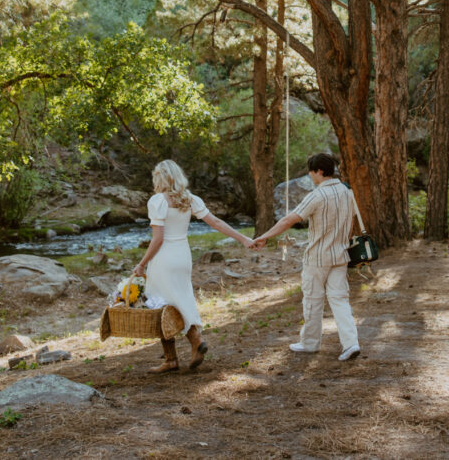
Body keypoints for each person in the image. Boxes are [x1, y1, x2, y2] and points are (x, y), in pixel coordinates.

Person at [133, 160, 254, 373]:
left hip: (164, 258)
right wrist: (243, 238)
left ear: (159, 178)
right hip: (183, 256)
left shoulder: (158, 201)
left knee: (159, 304)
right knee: (181, 299)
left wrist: (142, 264)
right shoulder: (189, 199)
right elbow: (216, 222)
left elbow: (158, 238)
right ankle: (189, 345)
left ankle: (177, 354)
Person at [251, 153, 361, 361]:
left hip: (318, 257)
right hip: (340, 255)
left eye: (311, 172)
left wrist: (264, 236)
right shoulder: (348, 193)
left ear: (319, 171)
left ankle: (310, 343)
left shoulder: (317, 195)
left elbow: (289, 220)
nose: (311, 176)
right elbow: (351, 220)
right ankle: (351, 343)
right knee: (340, 300)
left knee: (312, 300)